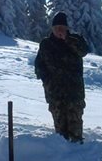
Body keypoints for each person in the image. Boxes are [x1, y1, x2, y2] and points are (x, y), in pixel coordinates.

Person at [34, 11, 89, 142]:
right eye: (56, 27)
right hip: (55, 94)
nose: (59, 30)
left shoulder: (75, 40)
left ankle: (78, 153)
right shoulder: (46, 44)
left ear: (67, 28)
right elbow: (38, 65)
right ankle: (62, 156)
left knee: (75, 130)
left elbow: (83, 51)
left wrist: (67, 40)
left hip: (74, 93)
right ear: (52, 28)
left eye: (62, 27)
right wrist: (47, 81)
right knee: (60, 132)